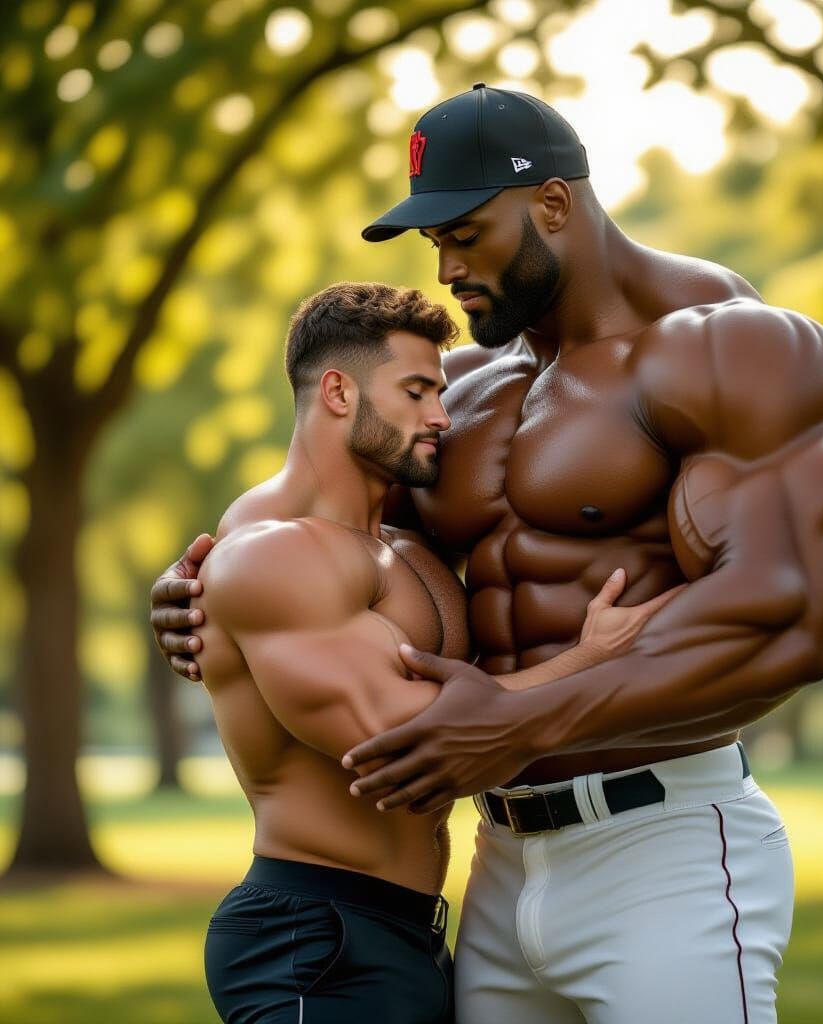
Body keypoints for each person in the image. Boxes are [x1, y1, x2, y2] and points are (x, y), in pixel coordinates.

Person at [153, 86, 823, 1023]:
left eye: (467, 233)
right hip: (493, 870)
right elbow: (319, 535)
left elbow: (785, 617)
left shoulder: (731, 352)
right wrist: (195, 578)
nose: (449, 268)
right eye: (435, 245)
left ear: (551, 204)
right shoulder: (454, 390)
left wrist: (519, 723)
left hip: (662, 848)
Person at [188, 281, 672, 1024]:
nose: (442, 416)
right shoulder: (270, 553)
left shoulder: (406, 551)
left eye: (439, 392)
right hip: (315, 938)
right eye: (416, 392)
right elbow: (408, 748)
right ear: (340, 392)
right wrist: (589, 657)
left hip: (416, 933)